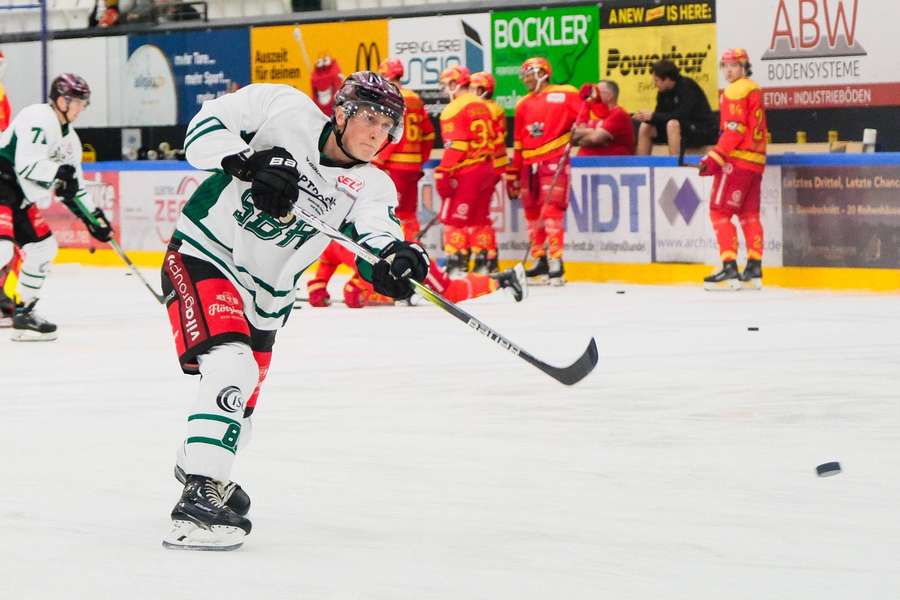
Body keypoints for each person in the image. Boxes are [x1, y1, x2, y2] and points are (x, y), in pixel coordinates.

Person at [160, 72, 430, 550]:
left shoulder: (372, 185)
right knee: (232, 368)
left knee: (240, 411)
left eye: (388, 126)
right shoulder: (282, 107)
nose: (376, 134)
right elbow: (202, 129)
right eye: (369, 118)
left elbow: (374, 236)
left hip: (267, 299)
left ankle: (197, 461)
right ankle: (197, 501)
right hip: (206, 253)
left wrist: (395, 259)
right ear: (342, 111)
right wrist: (247, 162)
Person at [0, 74, 113, 341]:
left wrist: (94, 219)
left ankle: (25, 313)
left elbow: (74, 188)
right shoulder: (38, 117)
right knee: (2, 250)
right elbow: (28, 164)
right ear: (62, 100)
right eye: (78, 102)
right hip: (1, 183)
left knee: (43, 248)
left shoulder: (70, 141)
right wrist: (59, 174)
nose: (81, 108)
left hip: (19, 197)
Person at [506, 57, 583, 286]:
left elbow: (586, 114)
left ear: (543, 73)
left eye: (530, 74)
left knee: (551, 212)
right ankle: (540, 259)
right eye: (525, 75)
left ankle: (556, 261)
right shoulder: (522, 103)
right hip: (529, 165)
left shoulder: (566, 93)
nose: (527, 79)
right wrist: (513, 172)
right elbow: (519, 141)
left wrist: (592, 97)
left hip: (554, 159)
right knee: (532, 213)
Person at [698, 48, 767, 291]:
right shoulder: (754, 88)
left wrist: (715, 157)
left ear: (745, 66)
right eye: (725, 65)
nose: (729, 70)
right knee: (750, 215)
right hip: (756, 163)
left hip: (736, 162)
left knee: (719, 212)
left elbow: (734, 130)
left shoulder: (735, 90)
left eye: (734, 65)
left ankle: (729, 268)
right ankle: (754, 266)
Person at [307, 239, 525, 308]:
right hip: (385, 266)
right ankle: (406, 295)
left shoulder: (347, 234)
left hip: (409, 258)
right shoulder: (327, 242)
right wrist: (317, 289)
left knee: (449, 293)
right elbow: (326, 265)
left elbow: (371, 269)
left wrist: (358, 287)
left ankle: (504, 279)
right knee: (353, 294)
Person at [434, 65, 496, 277]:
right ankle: (483, 261)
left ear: (454, 84)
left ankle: (455, 261)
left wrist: (443, 171)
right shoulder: (484, 105)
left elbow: (456, 146)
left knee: (452, 218)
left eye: (445, 85)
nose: (444, 90)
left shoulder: (453, 109)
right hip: (487, 166)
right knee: (480, 219)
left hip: (466, 171)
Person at [373, 58, 435, 241]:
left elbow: (391, 133)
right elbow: (429, 134)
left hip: (395, 167)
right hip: (413, 168)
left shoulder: (391, 98)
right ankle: (414, 246)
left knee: (393, 212)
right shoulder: (415, 98)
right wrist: (420, 159)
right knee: (409, 213)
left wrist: (378, 160)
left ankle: (397, 252)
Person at [633, 59, 716, 157]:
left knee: (672, 124)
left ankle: (674, 166)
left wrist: (653, 116)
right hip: (679, 129)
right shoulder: (662, 92)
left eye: (656, 80)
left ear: (667, 79)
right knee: (645, 127)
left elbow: (681, 115)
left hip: (700, 129)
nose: (655, 84)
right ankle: (644, 165)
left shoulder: (687, 86)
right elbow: (660, 116)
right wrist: (645, 117)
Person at [468, 71, 506, 274]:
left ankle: (483, 255)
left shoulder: (481, 109)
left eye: (473, 87)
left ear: (482, 89)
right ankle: (488, 256)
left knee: (478, 217)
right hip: (490, 167)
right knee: (479, 216)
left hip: (480, 167)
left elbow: (495, 141)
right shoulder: (494, 109)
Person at [573, 80, 635, 156]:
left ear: (609, 96)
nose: (593, 95)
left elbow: (594, 139)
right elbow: (572, 136)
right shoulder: (590, 110)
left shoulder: (619, 114)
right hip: (583, 163)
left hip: (609, 165)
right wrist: (591, 131)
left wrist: (581, 137)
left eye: (597, 92)